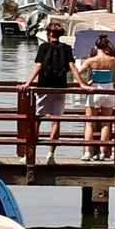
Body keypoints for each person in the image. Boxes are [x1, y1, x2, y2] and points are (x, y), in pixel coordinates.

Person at [25, 22, 77, 161]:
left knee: (37, 120)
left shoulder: (43, 47)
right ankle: (51, 155)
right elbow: (72, 66)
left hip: (44, 86)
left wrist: (27, 83)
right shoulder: (67, 48)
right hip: (61, 87)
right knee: (56, 121)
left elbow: (39, 66)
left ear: (50, 33)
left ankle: (30, 153)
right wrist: (82, 83)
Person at [78, 33, 115, 162]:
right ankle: (101, 153)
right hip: (109, 90)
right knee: (106, 123)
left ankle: (87, 153)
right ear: (107, 46)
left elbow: (77, 73)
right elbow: (113, 78)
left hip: (95, 90)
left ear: (96, 46)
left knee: (89, 124)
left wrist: (85, 83)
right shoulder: (112, 60)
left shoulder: (91, 60)